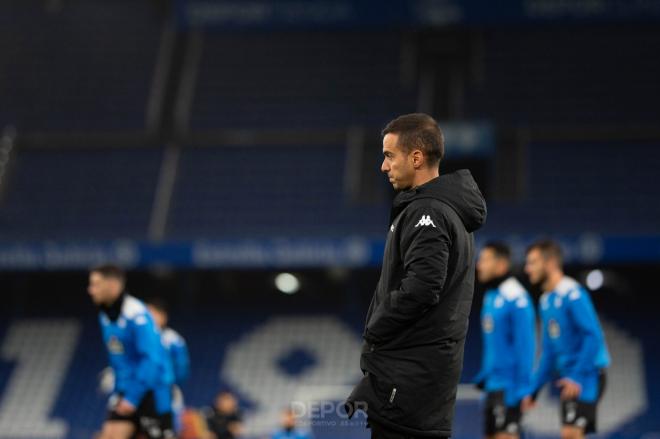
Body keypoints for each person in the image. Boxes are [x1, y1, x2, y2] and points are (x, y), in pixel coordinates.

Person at [346, 113, 487, 439]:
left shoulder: (429, 211)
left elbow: (422, 288)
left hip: (411, 377)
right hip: (419, 375)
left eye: (389, 156)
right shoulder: (443, 210)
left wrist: (375, 329)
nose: (384, 166)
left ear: (417, 157)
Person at [522, 240, 610, 439]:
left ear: (550, 263)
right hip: (569, 377)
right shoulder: (546, 301)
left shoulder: (573, 294)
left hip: (587, 375)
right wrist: (534, 390)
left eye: (533, 263)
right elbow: (549, 352)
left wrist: (577, 376)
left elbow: (593, 336)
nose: (527, 269)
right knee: (570, 434)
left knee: (571, 434)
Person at [88, 264, 175, 439]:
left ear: (113, 285)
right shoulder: (105, 315)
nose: (91, 290)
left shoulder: (137, 315)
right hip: (124, 392)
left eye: (96, 284)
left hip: (151, 395)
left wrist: (133, 397)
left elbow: (151, 359)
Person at [474, 242, 536, 439]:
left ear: (501, 265)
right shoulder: (491, 296)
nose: (479, 265)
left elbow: (526, 346)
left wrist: (524, 388)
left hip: (509, 388)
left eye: (484, 259)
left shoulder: (516, 297)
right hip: (493, 386)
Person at [147, 298, 191, 435]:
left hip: (166, 395)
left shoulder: (173, 340)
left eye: (151, 314)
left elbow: (182, 370)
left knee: (169, 431)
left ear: (163, 317)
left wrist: (167, 383)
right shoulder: (134, 340)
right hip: (140, 396)